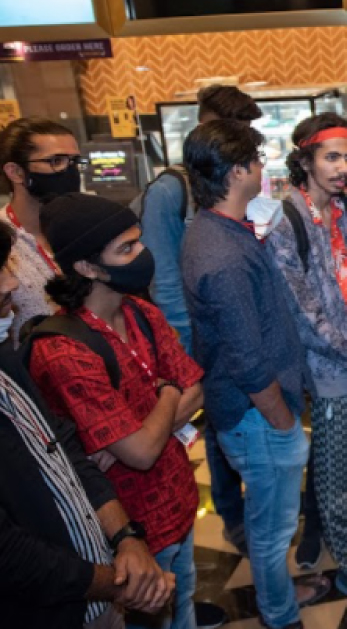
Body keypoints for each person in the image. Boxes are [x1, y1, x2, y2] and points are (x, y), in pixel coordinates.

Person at [29, 193, 207, 629]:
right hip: (129, 535)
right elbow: (142, 452)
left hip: (179, 502)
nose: (142, 254)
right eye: (126, 248)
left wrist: (145, 428)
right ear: (87, 267)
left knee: (183, 608)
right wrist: (168, 392)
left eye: (138, 241)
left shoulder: (141, 312)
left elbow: (197, 389)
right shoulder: (64, 349)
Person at [181, 120, 329, 629]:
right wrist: (284, 423)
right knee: (272, 530)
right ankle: (280, 614)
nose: (263, 168)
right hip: (257, 416)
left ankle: (280, 596)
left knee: (271, 524)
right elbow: (245, 358)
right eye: (257, 160)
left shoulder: (217, 227)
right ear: (236, 171)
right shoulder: (221, 255)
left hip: (252, 412)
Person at [0, 220, 174, 629]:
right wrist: (121, 585)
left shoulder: (5, 355)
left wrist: (125, 537)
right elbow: (10, 554)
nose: (11, 283)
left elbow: (63, 447)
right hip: (52, 609)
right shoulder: (62, 346)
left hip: (97, 594)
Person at [266, 113, 347, 614]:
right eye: (332, 157)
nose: (343, 167)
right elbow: (303, 311)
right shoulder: (286, 220)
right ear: (305, 160)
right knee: (337, 473)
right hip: (329, 368)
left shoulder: (344, 207)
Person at [138, 84, 263, 557]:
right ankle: (232, 517)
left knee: (237, 419)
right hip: (194, 334)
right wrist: (187, 345)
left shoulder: (229, 181)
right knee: (215, 424)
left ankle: (251, 510)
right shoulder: (171, 190)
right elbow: (163, 276)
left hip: (229, 325)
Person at [0, 118, 82, 342]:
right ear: (16, 172)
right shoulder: (3, 240)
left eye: (74, 161)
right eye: (56, 161)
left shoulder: (83, 225)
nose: (70, 171)